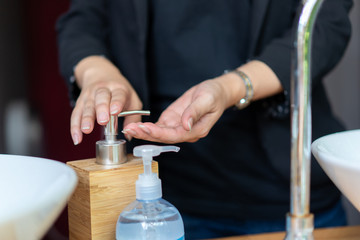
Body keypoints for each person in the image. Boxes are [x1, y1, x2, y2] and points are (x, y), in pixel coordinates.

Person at [57, 0, 353, 239]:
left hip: (282, 196)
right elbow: (83, 20)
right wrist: (99, 73)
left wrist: (232, 87)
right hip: (164, 206)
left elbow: (327, 23)